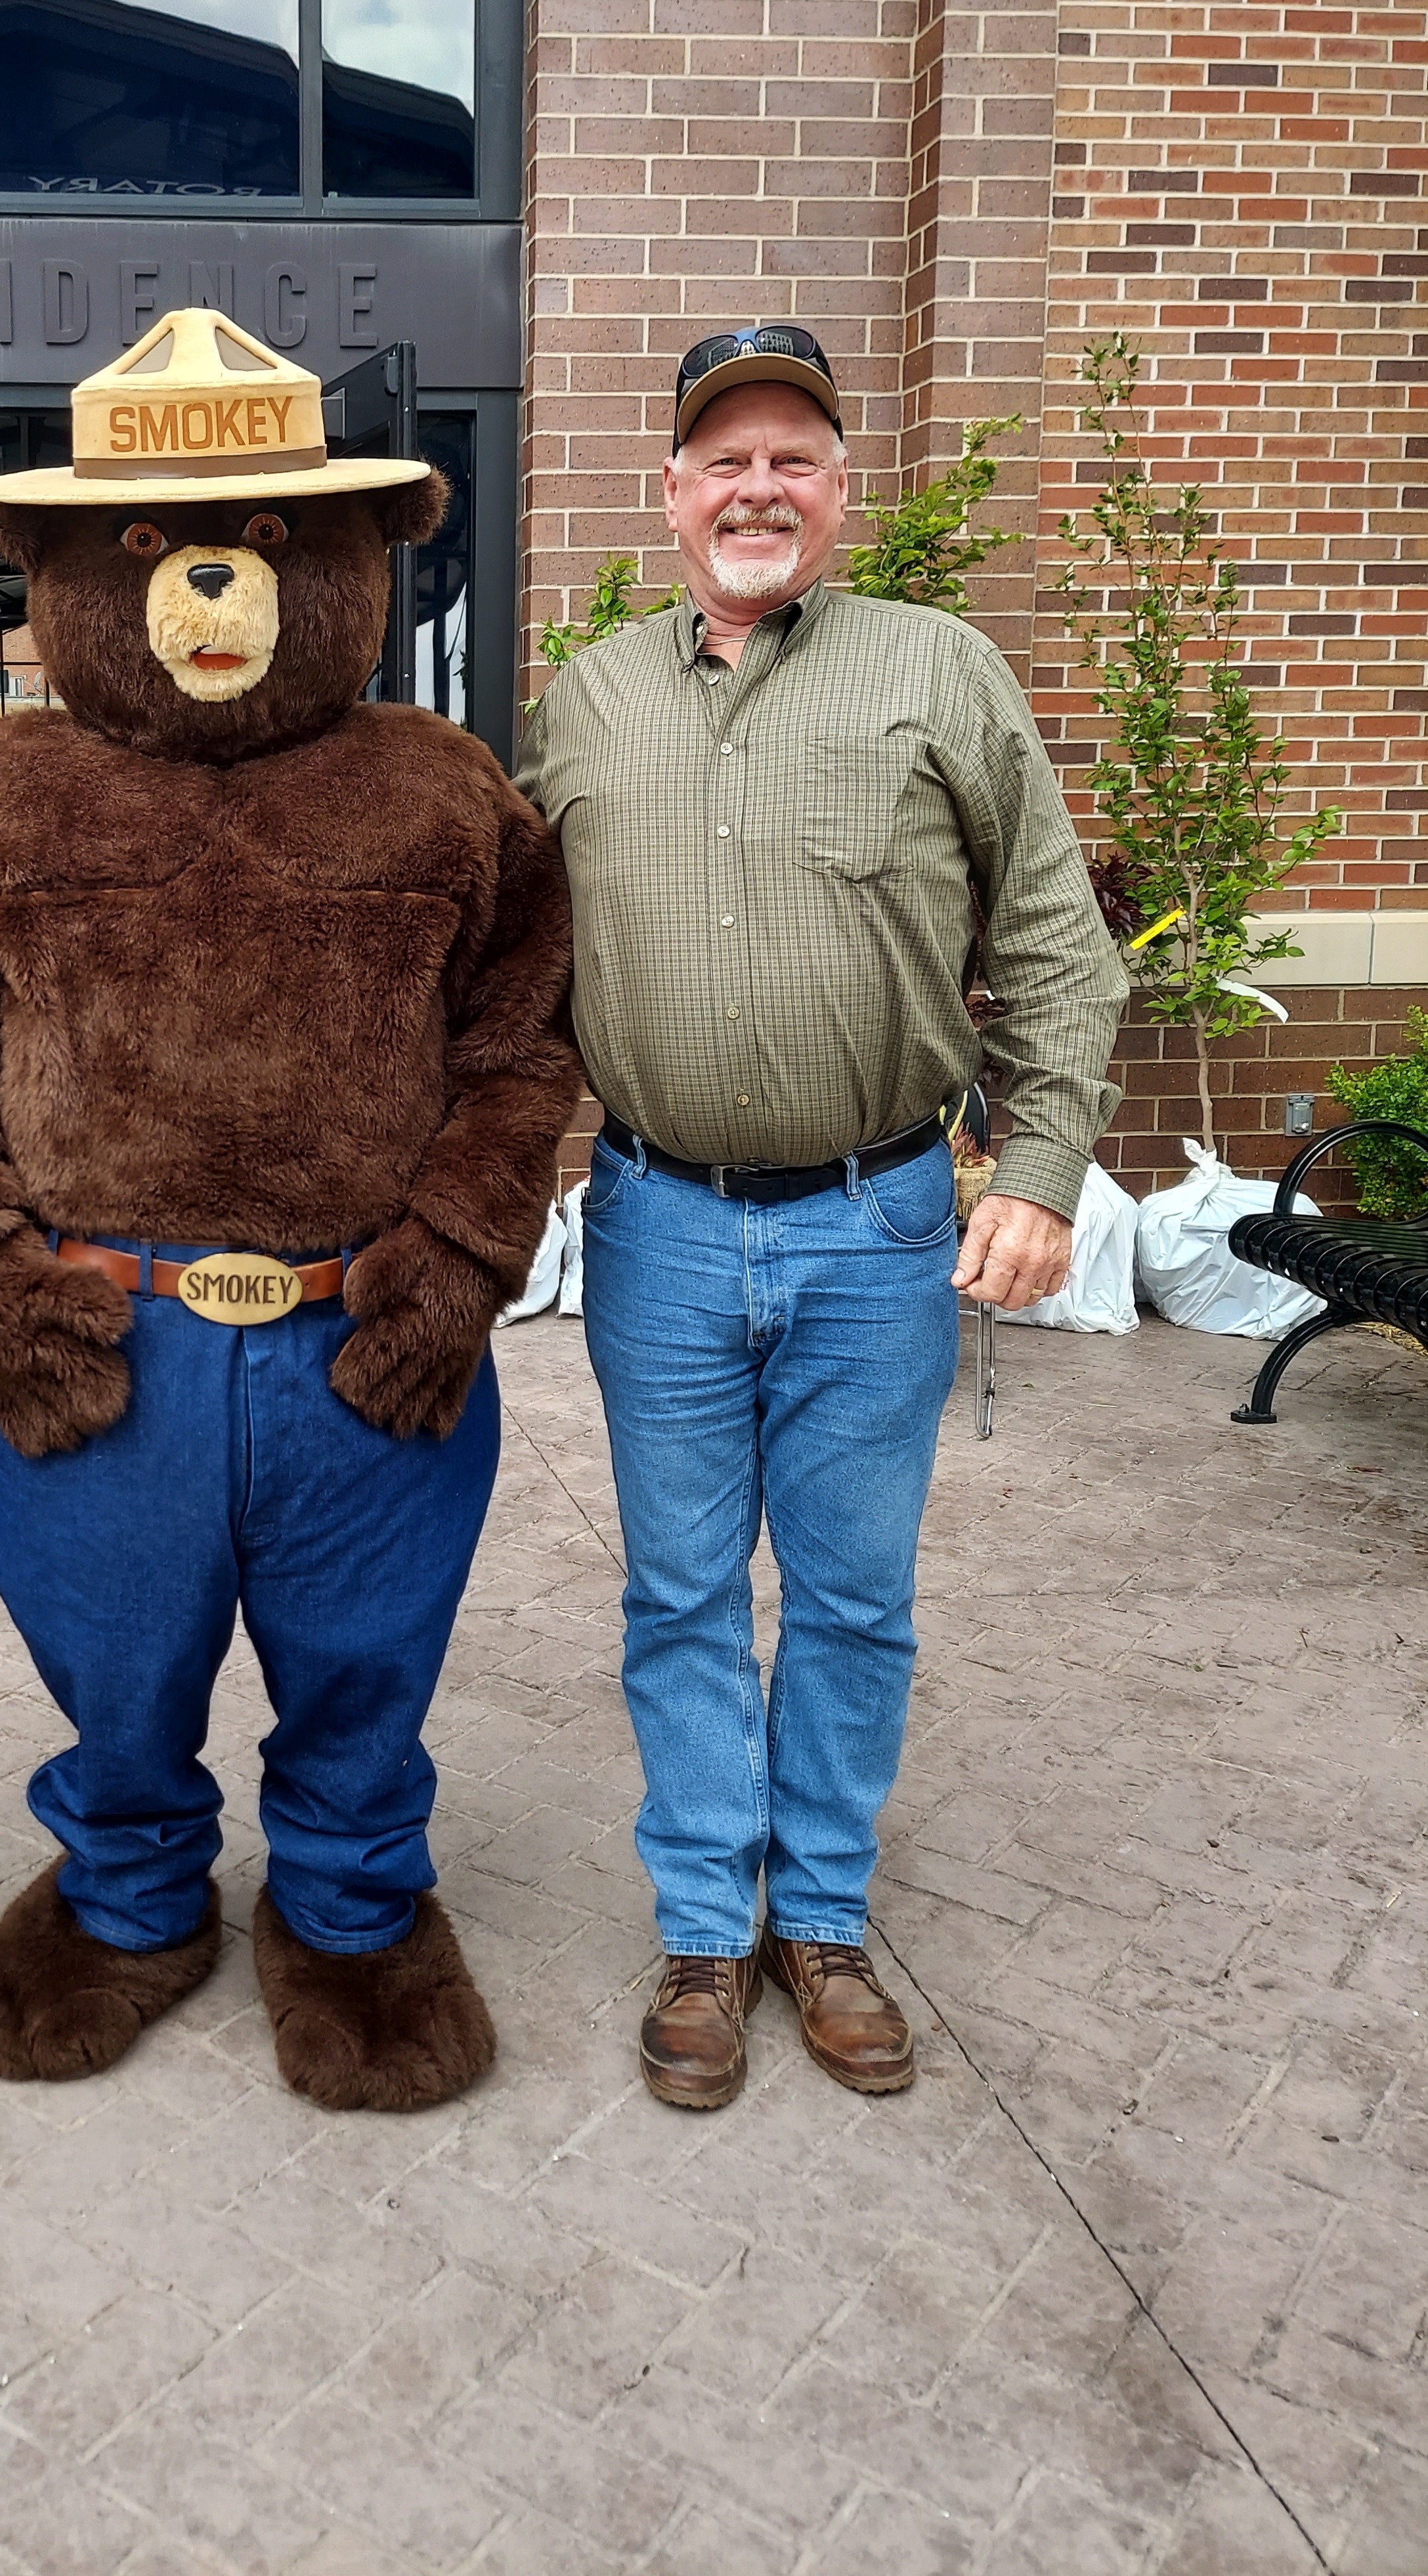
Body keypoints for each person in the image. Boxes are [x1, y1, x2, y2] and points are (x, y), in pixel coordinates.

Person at [517, 325, 1125, 2113]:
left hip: (873, 1227)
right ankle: (710, 1926)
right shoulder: (586, 703)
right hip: (653, 1223)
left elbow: (1050, 947)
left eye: (792, 457)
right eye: (724, 459)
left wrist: (1038, 1171)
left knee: (851, 1602)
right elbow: (483, 955)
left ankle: (826, 1921)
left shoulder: (939, 671)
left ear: (839, 492)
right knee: (682, 1593)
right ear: (671, 495)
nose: (756, 488)